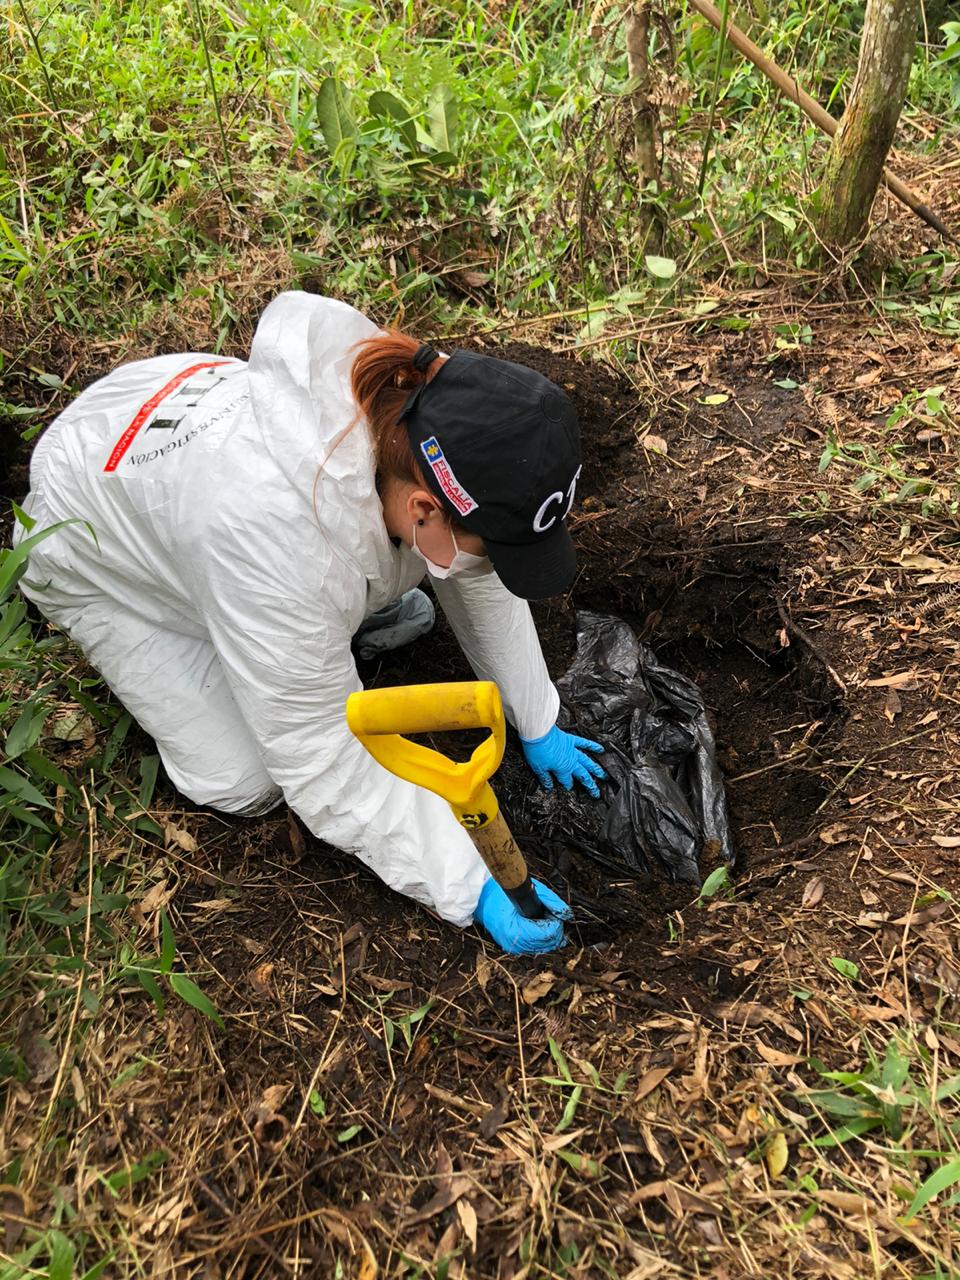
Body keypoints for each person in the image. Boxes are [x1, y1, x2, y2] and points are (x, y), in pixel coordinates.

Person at [15, 292, 606, 953]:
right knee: (243, 780)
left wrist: (536, 717)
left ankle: (292, 642)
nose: (491, 564)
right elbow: (318, 757)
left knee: (383, 590)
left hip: (167, 428)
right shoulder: (271, 545)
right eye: (491, 547)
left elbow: (476, 575)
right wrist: (471, 882)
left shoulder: (420, 417)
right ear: (422, 510)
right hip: (89, 541)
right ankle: (243, 637)